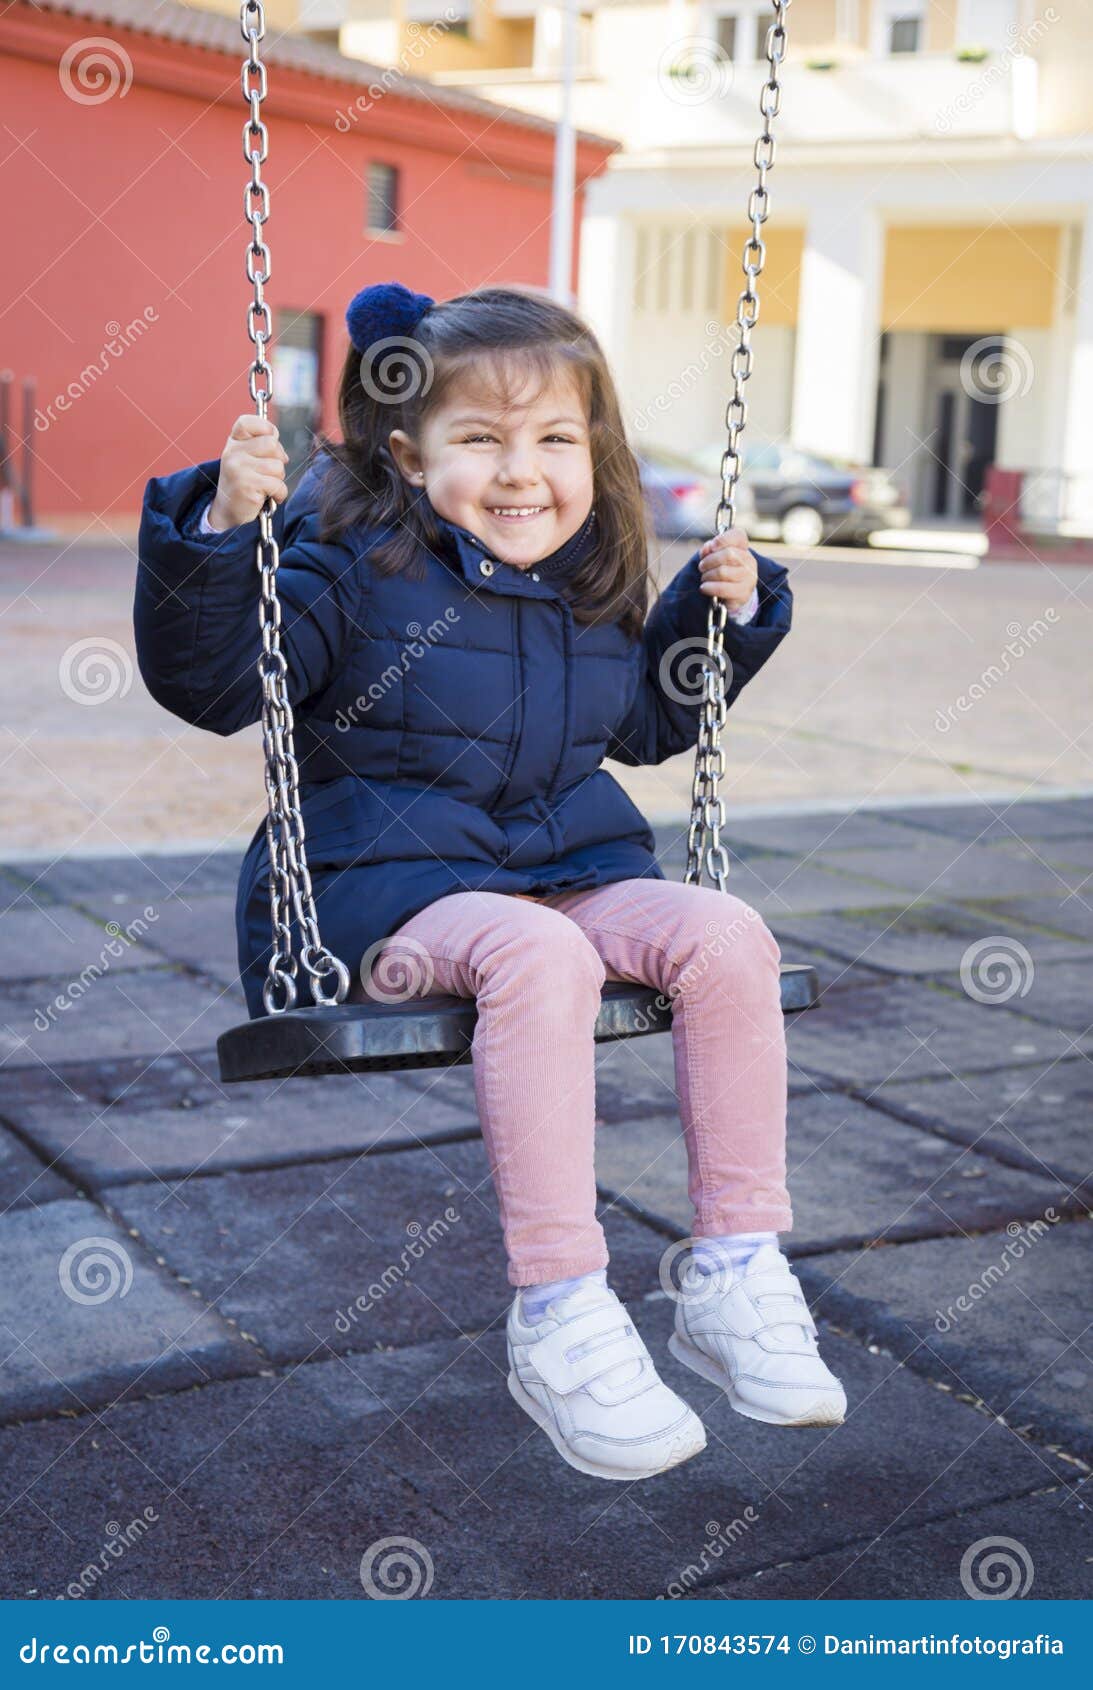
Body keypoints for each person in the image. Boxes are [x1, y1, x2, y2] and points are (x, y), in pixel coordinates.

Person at [134, 281, 845, 1485]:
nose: (523, 474)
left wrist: (722, 620)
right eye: (481, 440)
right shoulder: (344, 567)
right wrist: (219, 537)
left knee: (725, 930)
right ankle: (562, 1309)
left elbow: (647, 725)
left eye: (555, 439)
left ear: (594, 453)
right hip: (379, 901)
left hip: (560, 871)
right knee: (542, 955)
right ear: (408, 454)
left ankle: (734, 1270)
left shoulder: (585, 590)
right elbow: (215, 686)